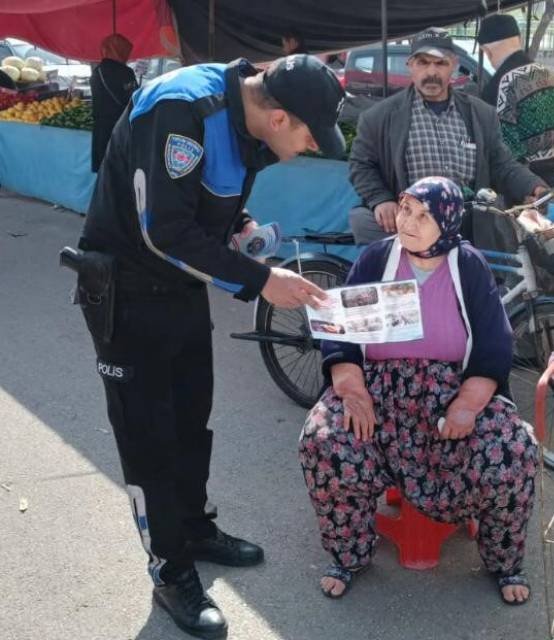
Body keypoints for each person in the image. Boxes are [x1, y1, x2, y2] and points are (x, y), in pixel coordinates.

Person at [76, 54, 345, 639]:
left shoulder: (244, 116)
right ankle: (169, 568)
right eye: (306, 134)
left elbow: (203, 196)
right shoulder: (181, 107)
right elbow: (163, 228)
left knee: (191, 420)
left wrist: (242, 228)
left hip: (180, 288)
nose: (307, 147)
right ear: (278, 117)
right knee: (148, 437)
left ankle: (194, 528)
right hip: (125, 291)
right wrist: (261, 281)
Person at [299, 176, 538, 605]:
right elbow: (340, 334)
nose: (408, 220)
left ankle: (505, 562)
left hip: (451, 392)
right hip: (378, 390)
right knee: (325, 441)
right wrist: (352, 390)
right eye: (406, 208)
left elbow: (494, 345)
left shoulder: (468, 264)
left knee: (513, 449)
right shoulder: (376, 258)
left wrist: (468, 405)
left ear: (446, 221)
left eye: (423, 214)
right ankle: (348, 554)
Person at [347, 28, 548, 246]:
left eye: (440, 63)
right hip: (412, 227)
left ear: (453, 65)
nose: (431, 71)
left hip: (466, 227)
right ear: (410, 67)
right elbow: (361, 164)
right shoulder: (379, 117)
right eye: (423, 62)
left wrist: (533, 186)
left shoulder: (480, 114)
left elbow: (502, 164)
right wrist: (381, 199)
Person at [477, 14, 554, 183]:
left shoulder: (501, 85)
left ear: (487, 51)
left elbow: (503, 149)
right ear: (518, 39)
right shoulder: (547, 74)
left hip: (525, 185)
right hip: (553, 173)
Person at [90, 34, 139, 173]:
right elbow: (135, 99)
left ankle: (104, 194)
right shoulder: (126, 72)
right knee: (121, 169)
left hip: (101, 129)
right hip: (122, 126)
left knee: (105, 170)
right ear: (121, 51)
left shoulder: (97, 72)